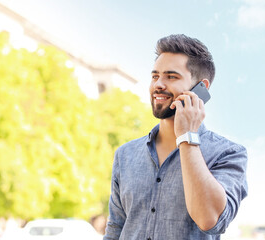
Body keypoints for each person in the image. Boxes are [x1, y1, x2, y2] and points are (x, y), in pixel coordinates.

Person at [103, 34, 248, 240]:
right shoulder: (125, 155)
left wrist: (187, 136)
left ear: (201, 88)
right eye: (155, 76)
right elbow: (115, 228)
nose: (158, 85)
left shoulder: (228, 153)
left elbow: (210, 220)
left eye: (171, 77)